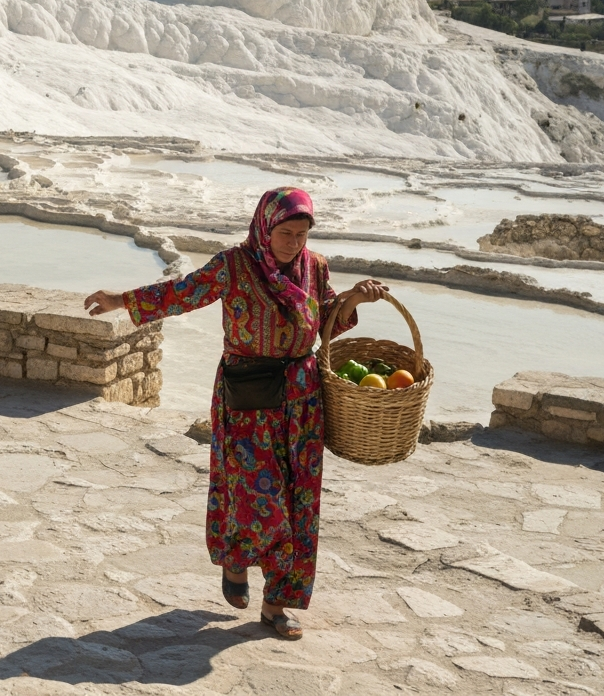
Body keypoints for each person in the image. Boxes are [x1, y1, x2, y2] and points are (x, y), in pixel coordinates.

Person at [85, 186, 388, 640]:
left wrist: (352, 301)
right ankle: (235, 558)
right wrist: (122, 300)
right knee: (254, 496)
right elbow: (182, 293)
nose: (294, 243)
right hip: (247, 395)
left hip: (302, 400)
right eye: (286, 232)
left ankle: (276, 604)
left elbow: (323, 322)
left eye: (302, 234)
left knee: (300, 503)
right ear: (265, 226)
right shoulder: (234, 265)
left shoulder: (315, 266)